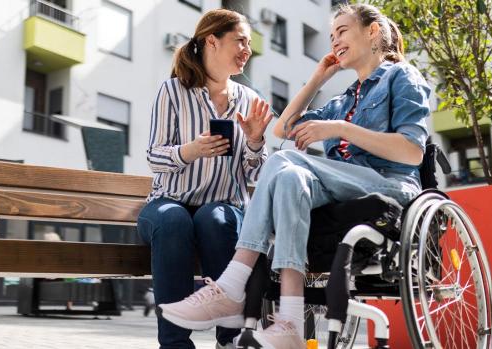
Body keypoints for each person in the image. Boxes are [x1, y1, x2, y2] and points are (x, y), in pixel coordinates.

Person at [158, 4, 431, 349]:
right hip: (347, 187)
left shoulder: (402, 77)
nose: (335, 41)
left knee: (286, 162)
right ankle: (289, 320)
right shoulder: (345, 99)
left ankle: (231, 285)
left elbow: (412, 152)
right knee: (288, 177)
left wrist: (340, 128)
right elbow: (283, 128)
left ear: (373, 31)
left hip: (390, 185)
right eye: (331, 37)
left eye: (342, 31)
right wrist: (319, 77)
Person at [138, 8, 272, 349]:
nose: (247, 50)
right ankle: (175, 343)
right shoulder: (172, 91)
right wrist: (192, 150)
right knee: (173, 219)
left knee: (216, 218)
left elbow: (256, 172)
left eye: (249, 44)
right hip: (168, 204)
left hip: (222, 207)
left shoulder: (249, 100)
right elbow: (154, 157)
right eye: (240, 41)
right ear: (212, 41)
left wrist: (256, 141)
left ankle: (230, 340)